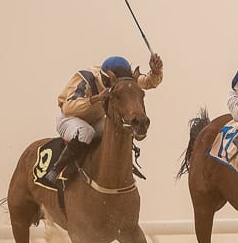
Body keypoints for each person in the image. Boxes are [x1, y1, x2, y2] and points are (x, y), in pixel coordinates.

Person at [43, 52, 164, 186]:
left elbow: (146, 82)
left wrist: (155, 72)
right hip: (70, 119)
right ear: (106, 80)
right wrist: (96, 98)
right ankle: (58, 169)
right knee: (86, 132)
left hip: (95, 120)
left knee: (119, 125)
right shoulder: (86, 79)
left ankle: (122, 167)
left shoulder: (123, 79)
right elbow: (68, 108)